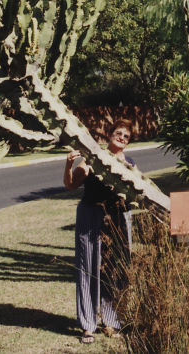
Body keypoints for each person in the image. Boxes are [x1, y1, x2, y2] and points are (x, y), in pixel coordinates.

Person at [63, 120, 136, 345]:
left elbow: (134, 192)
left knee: (114, 269)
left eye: (126, 135)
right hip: (90, 216)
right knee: (87, 267)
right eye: (118, 133)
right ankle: (87, 325)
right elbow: (71, 185)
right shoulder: (92, 159)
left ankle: (111, 321)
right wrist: (68, 165)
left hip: (116, 219)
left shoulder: (130, 163)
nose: (122, 137)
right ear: (109, 134)